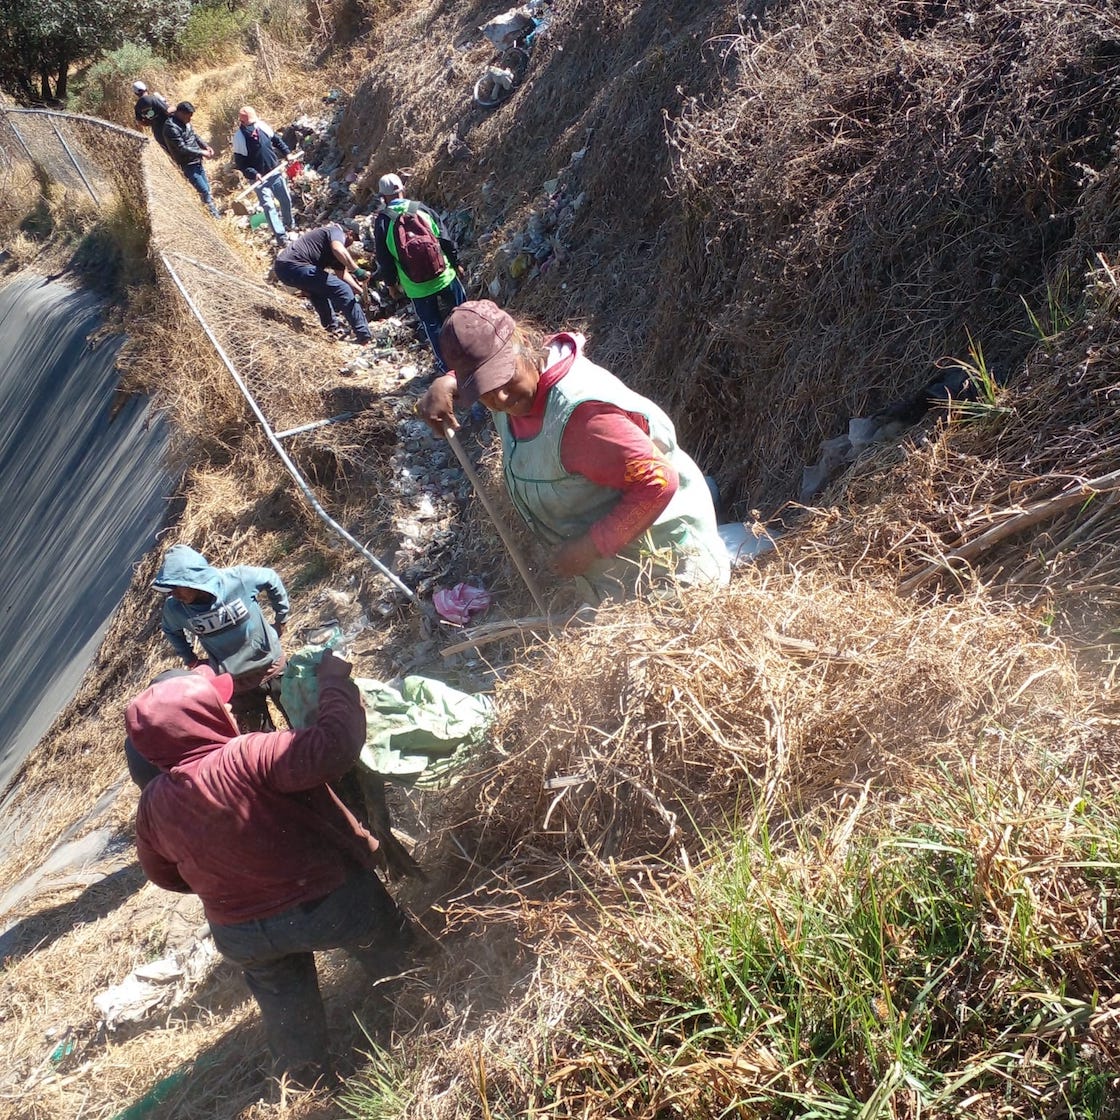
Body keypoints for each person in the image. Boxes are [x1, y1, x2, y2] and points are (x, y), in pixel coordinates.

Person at [129, 656, 416, 1087]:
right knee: (403, 958)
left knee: (287, 1011)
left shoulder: (151, 805)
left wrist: (231, 883)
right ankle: (427, 1009)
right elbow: (334, 745)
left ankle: (304, 1082)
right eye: (218, 704)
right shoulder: (249, 754)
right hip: (327, 903)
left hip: (241, 933)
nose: (228, 709)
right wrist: (336, 683)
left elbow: (163, 875)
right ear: (200, 716)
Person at [416, 300, 730, 604]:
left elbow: (658, 481)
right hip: (617, 569)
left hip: (668, 567)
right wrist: (446, 383)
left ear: (524, 344)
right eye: (483, 389)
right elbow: (481, 372)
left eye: (502, 376)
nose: (500, 396)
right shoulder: (519, 384)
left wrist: (588, 548)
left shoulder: (582, 421)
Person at [154, 544, 290, 732]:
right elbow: (170, 630)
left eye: (176, 586)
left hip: (272, 667)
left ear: (194, 579)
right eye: (169, 588)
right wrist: (190, 659)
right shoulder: (176, 608)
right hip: (236, 683)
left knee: (302, 725)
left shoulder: (238, 580)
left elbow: (271, 578)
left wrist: (281, 619)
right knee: (261, 743)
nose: (173, 593)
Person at [372, 172, 466, 373]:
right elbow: (445, 239)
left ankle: (447, 368)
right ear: (402, 189)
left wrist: (391, 285)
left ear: (383, 197)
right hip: (445, 275)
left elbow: (384, 259)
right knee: (464, 314)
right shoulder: (420, 209)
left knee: (433, 326)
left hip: (417, 287)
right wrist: (456, 263)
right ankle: (473, 353)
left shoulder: (382, 222)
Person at [274, 223, 372, 344]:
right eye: (353, 239)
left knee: (317, 292)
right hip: (295, 265)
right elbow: (338, 249)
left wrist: (360, 291)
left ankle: (331, 330)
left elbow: (342, 274)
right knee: (343, 289)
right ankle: (364, 335)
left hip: (284, 269)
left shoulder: (334, 251)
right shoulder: (335, 231)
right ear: (349, 233)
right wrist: (357, 270)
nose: (351, 244)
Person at [232, 106, 295, 234]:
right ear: (243, 123)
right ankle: (281, 236)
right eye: (251, 124)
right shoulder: (239, 138)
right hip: (258, 180)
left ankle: (289, 225)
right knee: (268, 206)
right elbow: (241, 164)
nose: (254, 125)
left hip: (274, 171)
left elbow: (277, 141)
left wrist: (287, 153)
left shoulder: (261, 126)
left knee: (285, 199)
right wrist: (254, 174)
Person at [162, 101, 220, 218]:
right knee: (203, 190)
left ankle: (211, 212)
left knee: (207, 189)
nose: (190, 119)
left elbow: (194, 136)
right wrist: (202, 152)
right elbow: (181, 148)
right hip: (187, 163)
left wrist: (206, 146)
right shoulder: (171, 127)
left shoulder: (186, 123)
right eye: (189, 116)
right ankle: (215, 217)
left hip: (196, 161)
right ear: (181, 113)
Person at [131, 80, 171, 152]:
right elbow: (168, 111)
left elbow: (141, 122)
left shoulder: (137, 107)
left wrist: (151, 122)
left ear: (135, 93)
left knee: (171, 154)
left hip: (158, 133)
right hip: (169, 127)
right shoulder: (153, 98)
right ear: (145, 88)